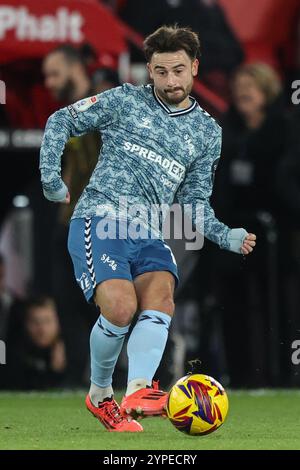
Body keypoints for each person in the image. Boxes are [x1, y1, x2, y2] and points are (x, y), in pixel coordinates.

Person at [39, 25, 256, 432]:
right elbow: (60, 120)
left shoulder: (208, 131)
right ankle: (100, 395)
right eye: (160, 72)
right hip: (99, 218)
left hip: (150, 231)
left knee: (162, 297)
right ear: (149, 70)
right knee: (120, 308)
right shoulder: (123, 101)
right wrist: (52, 180)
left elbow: (194, 201)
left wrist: (224, 234)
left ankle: (138, 389)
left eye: (178, 70)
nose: (170, 81)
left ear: (194, 67)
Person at [5, 296, 67, 390]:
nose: (42, 329)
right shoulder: (12, 354)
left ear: (58, 322)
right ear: (25, 324)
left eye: (47, 321)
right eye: (35, 322)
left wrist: (58, 370)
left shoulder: (72, 351)